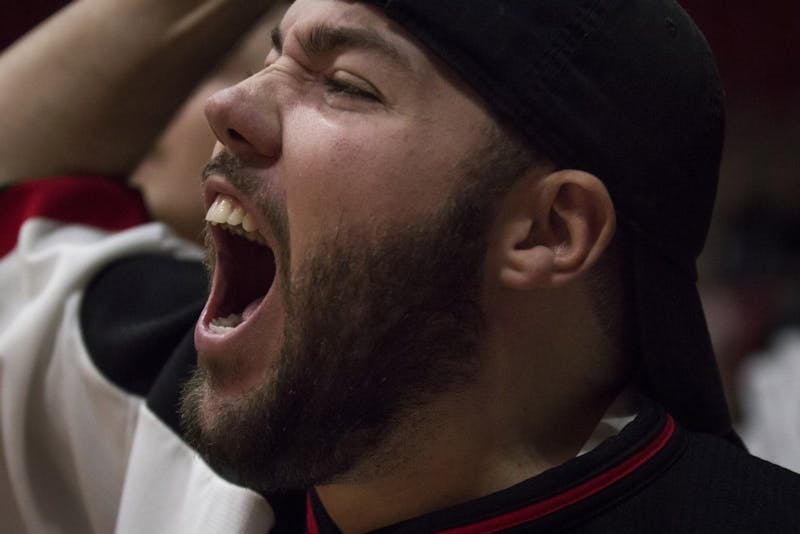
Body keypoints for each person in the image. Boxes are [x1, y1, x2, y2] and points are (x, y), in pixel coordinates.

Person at [1, 1, 798, 533]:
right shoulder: (174, 401)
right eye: (273, 56)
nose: (227, 106)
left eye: (345, 84)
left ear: (550, 230)